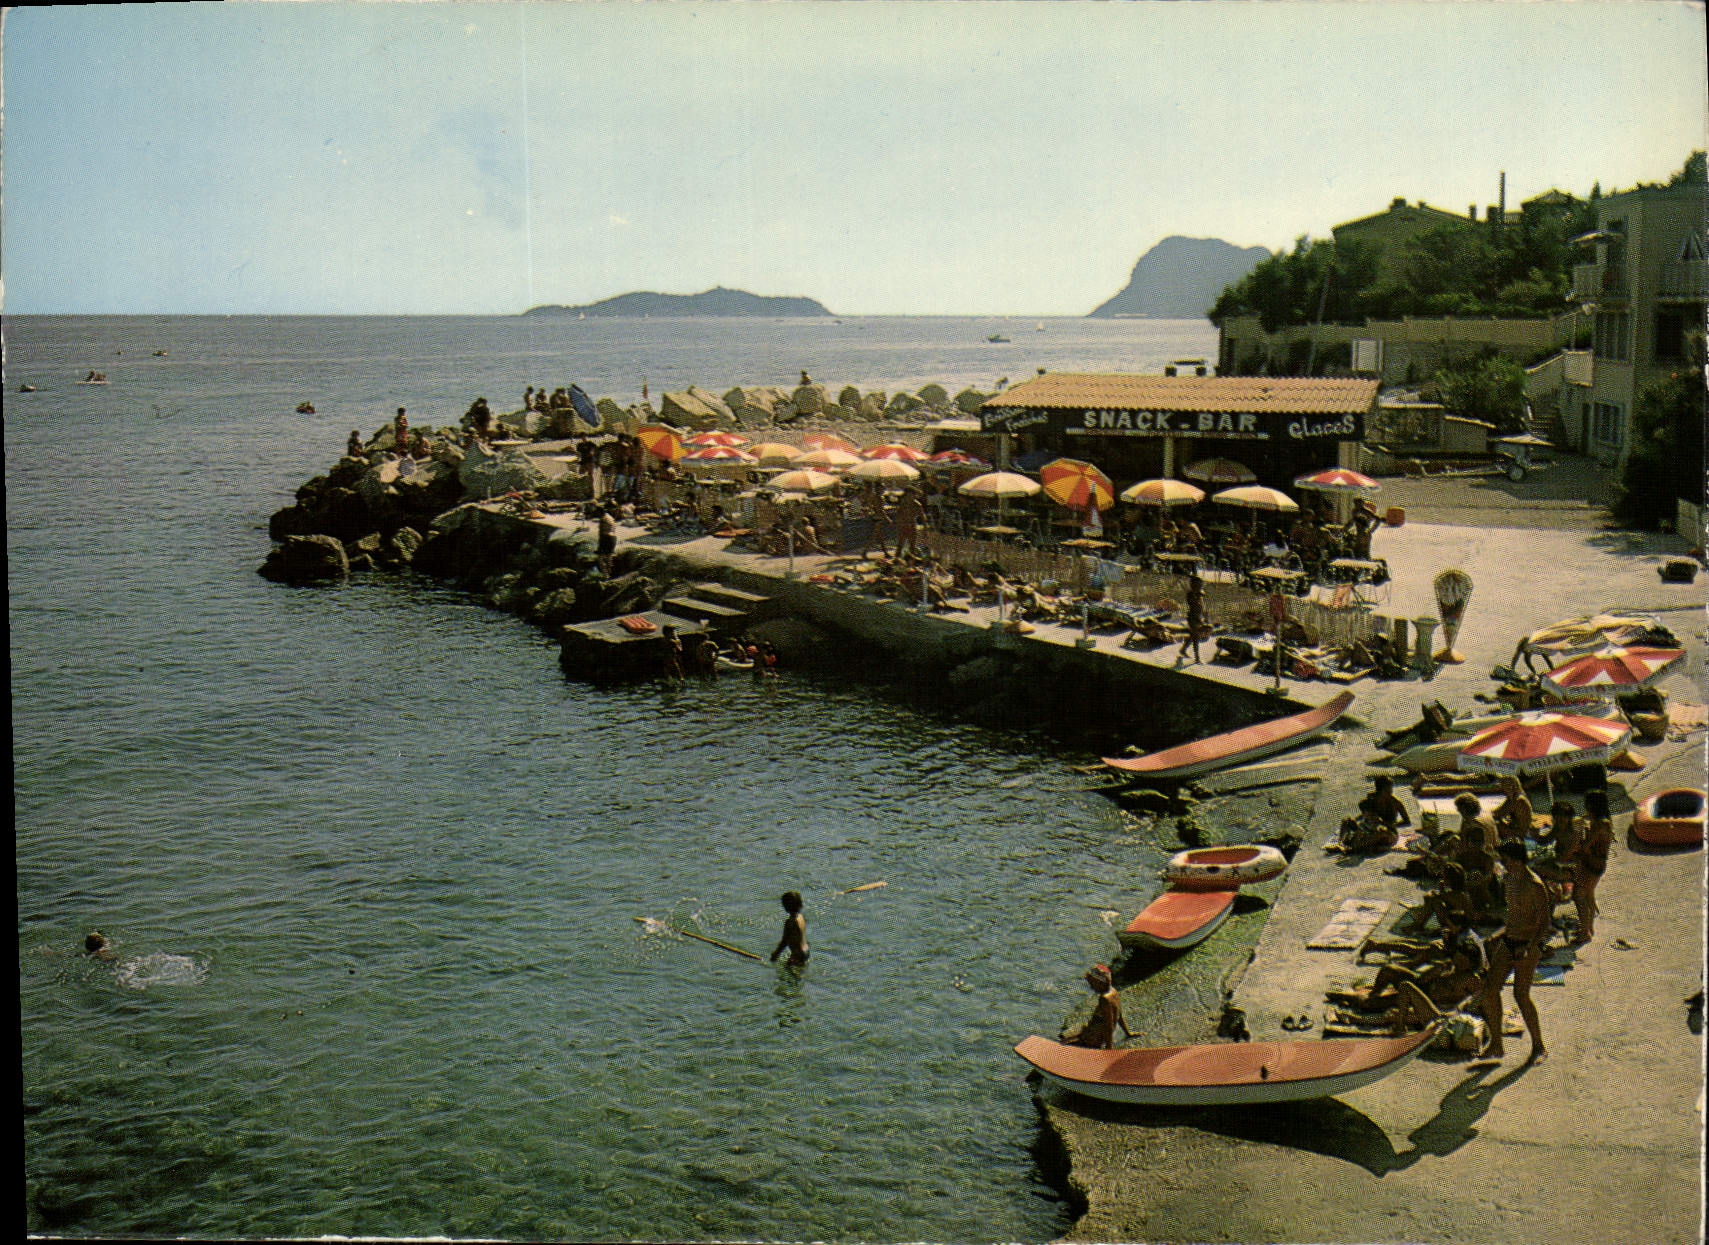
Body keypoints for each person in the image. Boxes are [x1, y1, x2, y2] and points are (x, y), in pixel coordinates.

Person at [1480, 839, 1551, 1064]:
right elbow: (1513, 914)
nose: (1503, 864)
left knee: (1521, 995)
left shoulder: (1534, 885)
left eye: (1506, 860)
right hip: (1509, 940)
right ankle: (1496, 1044)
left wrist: (1531, 949)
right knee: (1490, 990)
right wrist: (1500, 934)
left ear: (1517, 859)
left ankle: (1539, 1046)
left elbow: (1544, 923)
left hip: (1527, 944)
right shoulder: (1509, 879)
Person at [1569, 789, 1613, 944]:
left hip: (1591, 865)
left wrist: (1577, 835)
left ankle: (1584, 931)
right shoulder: (1605, 821)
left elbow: (1586, 847)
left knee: (1579, 896)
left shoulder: (1598, 825)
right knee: (1589, 895)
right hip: (1598, 864)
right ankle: (1588, 928)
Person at [1062, 964, 1132, 1049]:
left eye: (1092, 983)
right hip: (1093, 1035)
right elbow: (1119, 1015)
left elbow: (1108, 1025)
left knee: (1062, 1043)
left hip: (1092, 1040)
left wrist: (1109, 1047)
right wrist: (1128, 1033)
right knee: (1067, 1037)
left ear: (1100, 983)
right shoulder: (1114, 992)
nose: (1091, 986)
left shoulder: (1105, 999)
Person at [770, 891, 809, 967]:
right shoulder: (801, 917)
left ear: (788, 905)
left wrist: (775, 955)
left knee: (785, 976)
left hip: (797, 955)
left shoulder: (790, 922)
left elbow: (784, 941)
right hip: (806, 951)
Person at [1494, 776, 1534, 842]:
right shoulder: (1512, 798)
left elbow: (1500, 814)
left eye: (1504, 785)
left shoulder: (1519, 800)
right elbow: (1498, 812)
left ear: (1512, 786)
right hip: (1515, 828)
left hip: (1521, 832)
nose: (1502, 788)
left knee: (1496, 825)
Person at [1177, 574, 1206, 664]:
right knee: (1196, 637)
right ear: (1194, 585)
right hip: (1193, 618)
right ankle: (1197, 658)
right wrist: (1198, 596)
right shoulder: (1191, 594)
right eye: (1199, 584)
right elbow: (1195, 605)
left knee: (1193, 635)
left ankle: (1183, 650)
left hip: (1198, 617)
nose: (1201, 586)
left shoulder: (1199, 593)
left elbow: (1201, 606)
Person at [894, 488, 924, 558]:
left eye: (911, 495)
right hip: (903, 525)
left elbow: (922, 516)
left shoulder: (917, 505)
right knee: (900, 544)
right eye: (908, 496)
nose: (909, 497)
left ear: (914, 496)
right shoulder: (903, 504)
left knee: (912, 545)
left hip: (912, 524)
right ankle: (897, 559)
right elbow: (899, 514)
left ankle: (911, 560)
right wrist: (898, 522)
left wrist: (925, 526)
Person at [596, 505, 618, 571]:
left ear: (599, 512)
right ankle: (609, 572)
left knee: (600, 556)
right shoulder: (610, 517)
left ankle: (604, 573)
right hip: (613, 537)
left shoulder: (603, 519)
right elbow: (614, 528)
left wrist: (599, 545)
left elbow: (601, 532)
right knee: (609, 556)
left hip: (606, 538)